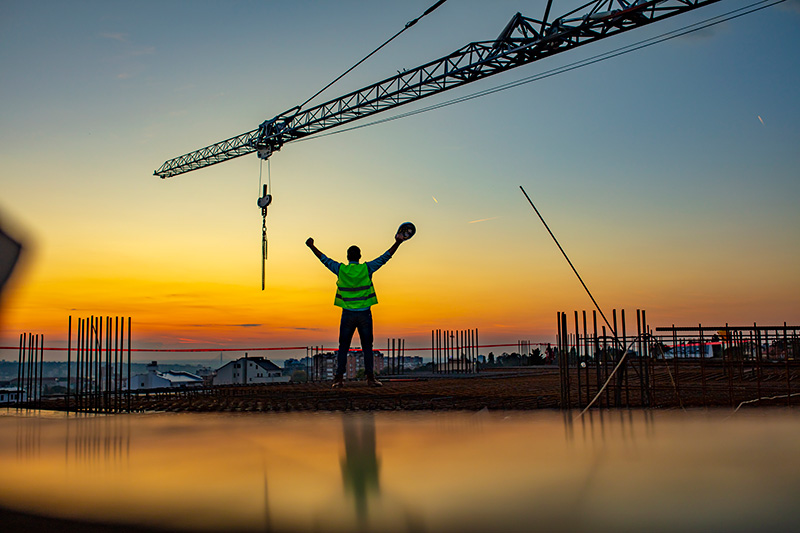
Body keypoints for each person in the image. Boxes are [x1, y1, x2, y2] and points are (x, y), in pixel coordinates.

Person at [306, 233, 406, 388]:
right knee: (367, 347)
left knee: (343, 347)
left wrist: (312, 246)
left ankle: (338, 379)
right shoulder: (366, 268)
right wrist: (398, 243)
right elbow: (385, 257)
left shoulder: (341, 269)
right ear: (360, 256)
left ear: (347, 257)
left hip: (347, 314)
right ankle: (370, 379)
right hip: (364, 314)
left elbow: (324, 259)